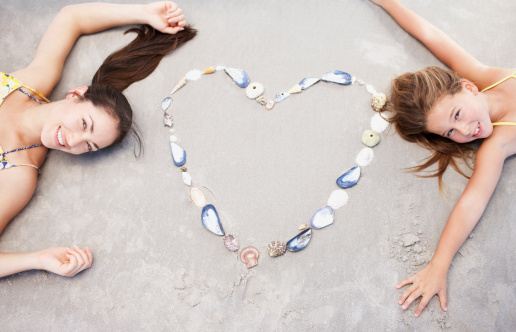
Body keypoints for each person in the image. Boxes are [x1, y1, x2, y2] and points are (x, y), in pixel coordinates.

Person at [0, 2, 196, 278]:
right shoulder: (31, 82)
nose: (73, 141)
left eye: (89, 146)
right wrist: (143, 14)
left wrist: (39, 259)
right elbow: (72, 18)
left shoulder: (18, 174)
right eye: (83, 124)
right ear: (76, 93)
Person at [370, 0, 516, 317]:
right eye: (450, 132)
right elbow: (471, 202)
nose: (466, 129)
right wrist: (439, 264)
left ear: (468, 87)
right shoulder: (498, 143)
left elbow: (431, 34)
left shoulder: (486, 75)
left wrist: (387, 3)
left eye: (458, 114)